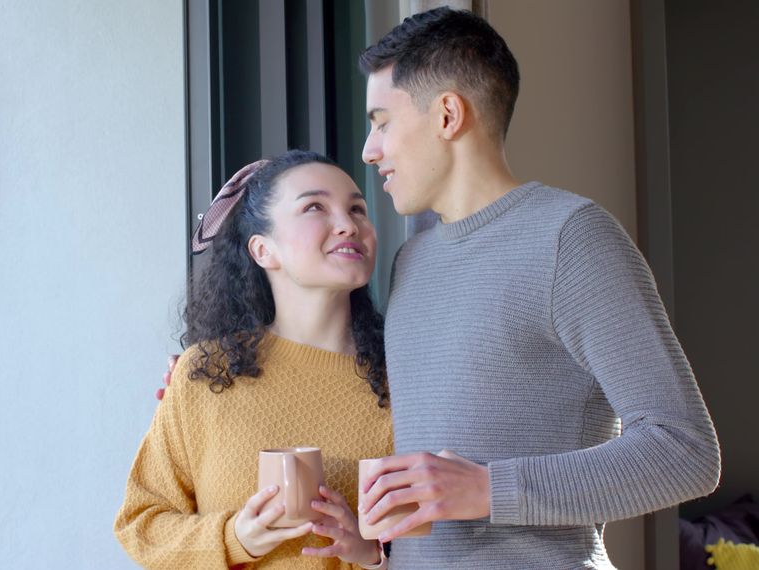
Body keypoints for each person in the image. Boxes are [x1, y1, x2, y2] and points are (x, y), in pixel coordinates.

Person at [352, 7, 720, 569]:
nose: (369, 149)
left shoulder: (570, 239)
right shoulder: (411, 262)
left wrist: (485, 489)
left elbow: (685, 449)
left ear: (448, 114)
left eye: (381, 121)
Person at [115, 150, 395, 569]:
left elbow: (447, 541)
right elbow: (140, 526)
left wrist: (372, 555)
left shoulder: (405, 379)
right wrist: (235, 539)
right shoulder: (206, 373)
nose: (348, 224)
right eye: (315, 206)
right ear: (263, 250)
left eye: (357, 208)